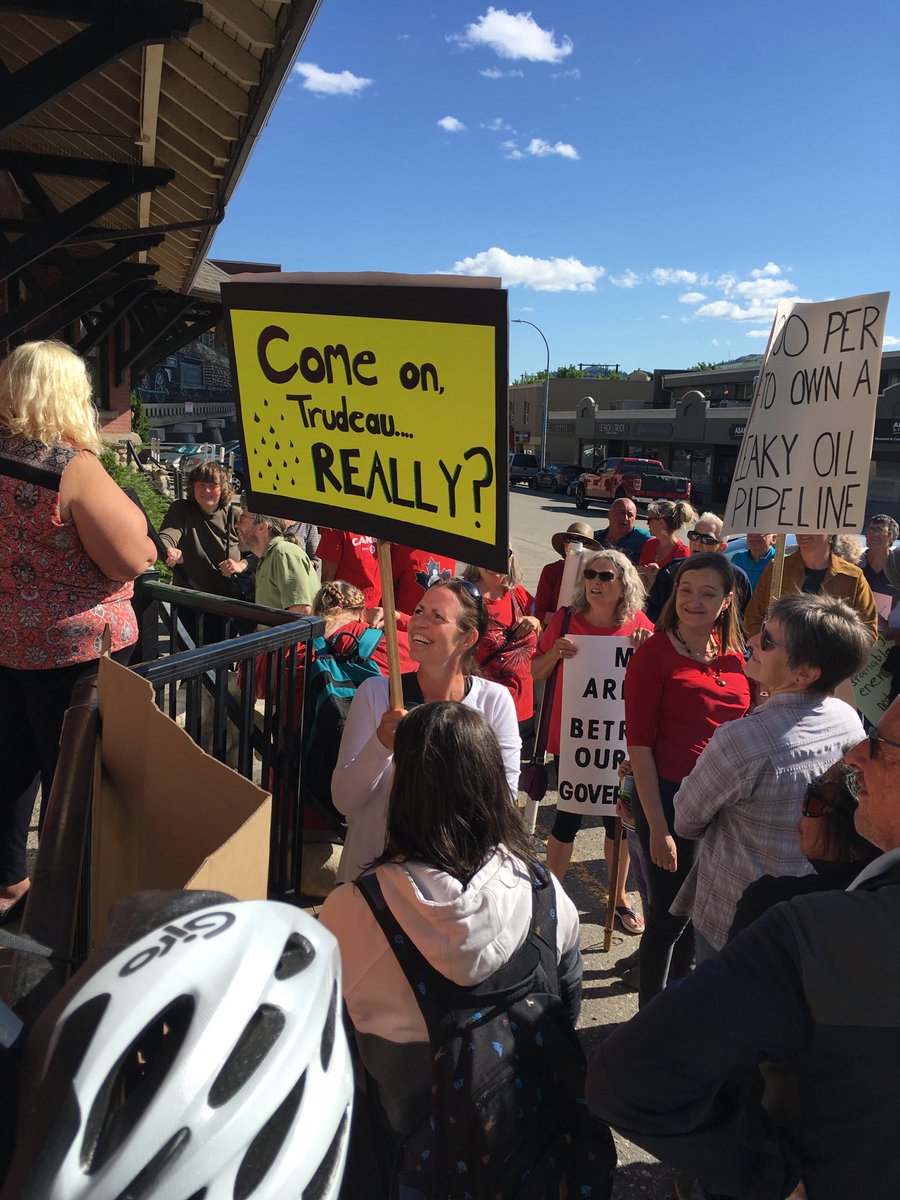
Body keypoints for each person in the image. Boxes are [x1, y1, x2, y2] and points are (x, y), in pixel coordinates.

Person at [585, 695, 900, 1200]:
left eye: (883, 747)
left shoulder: (806, 934)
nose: (858, 753)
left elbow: (626, 1078)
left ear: (804, 668)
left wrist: (766, 1176)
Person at [320, 703, 611, 1199]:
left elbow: (331, 1042)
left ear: (403, 788)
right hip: (533, 1156)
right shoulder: (548, 894)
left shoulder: (351, 911)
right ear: (492, 786)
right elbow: (567, 1006)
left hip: (413, 1161)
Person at [0, 340, 156, 916]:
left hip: (8, 641)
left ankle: (10, 882)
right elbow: (131, 559)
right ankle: (76, 904)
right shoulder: (69, 468)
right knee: (78, 782)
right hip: (76, 654)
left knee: (11, 766)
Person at [670, 593, 869, 958]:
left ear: (805, 673)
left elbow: (685, 820)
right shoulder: (847, 718)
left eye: (768, 640)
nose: (752, 641)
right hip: (809, 915)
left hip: (734, 916)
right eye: (761, 631)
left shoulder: (742, 740)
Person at [331, 578, 520, 883]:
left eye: (437, 617)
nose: (419, 623)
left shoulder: (494, 702)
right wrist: (380, 745)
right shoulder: (377, 693)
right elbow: (343, 800)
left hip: (451, 886)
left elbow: (503, 804)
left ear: (467, 638)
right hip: (369, 886)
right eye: (419, 611)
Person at [625, 553, 750, 1006]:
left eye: (707, 593)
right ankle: (649, 1021)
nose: (693, 601)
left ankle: (679, 1008)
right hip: (671, 799)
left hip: (727, 802)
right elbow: (638, 746)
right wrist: (658, 828)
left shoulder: (737, 655)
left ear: (726, 600)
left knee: (703, 917)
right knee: (667, 918)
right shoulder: (652, 656)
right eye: (685, 590)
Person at [532, 550, 653, 932]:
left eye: (606, 576)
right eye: (591, 574)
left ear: (625, 585)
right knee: (566, 819)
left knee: (616, 824)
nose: (596, 582)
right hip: (575, 739)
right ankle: (552, 897)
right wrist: (555, 652)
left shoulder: (638, 624)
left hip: (618, 744)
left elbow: (656, 677)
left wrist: (646, 647)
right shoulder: (568, 620)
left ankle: (617, 899)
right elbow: (535, 670)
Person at [728, 758, 881, 939]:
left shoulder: (771, 901)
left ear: (858, 839)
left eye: (813, 800)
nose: (801, 805)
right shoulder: (884, 900)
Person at [462, 548, 541, 753]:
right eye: (489, 551)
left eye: (503, 552)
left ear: (511, 558)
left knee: (507, 775)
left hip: (520, 706)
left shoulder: (517, 593)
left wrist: (534, 621)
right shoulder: (464, 594)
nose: (496, 560)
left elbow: (542, 634)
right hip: (480, 706)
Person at [744, 532, 878, 642]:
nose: (804, 530)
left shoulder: (853, 577)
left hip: (829, 670)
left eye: (814, 524)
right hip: (780, 669)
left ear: (831, 531)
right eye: (800, 523)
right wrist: (770, 647)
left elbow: (868, 631)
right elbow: (753, 617)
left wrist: (831, 654)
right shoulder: (776, 569)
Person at [159, 460, 248, 597]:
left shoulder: (234, 515)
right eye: (201, 484)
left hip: (228, 602)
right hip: (191, 600)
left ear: (222, 488)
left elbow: (260, 551)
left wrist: (240, 565)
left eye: (212, 485)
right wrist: (170, 550)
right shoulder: (182, 509)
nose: (206, 490)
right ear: (192, 486)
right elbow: (167, 536)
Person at [645, 511, 751, 622]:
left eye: (706, 539)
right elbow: (652, 614)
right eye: (694, 536)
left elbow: (743, 622)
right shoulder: (670, 571)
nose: (697, 543)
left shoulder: (738, 578)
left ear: (722, 547)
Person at [235, 509, 316, 614]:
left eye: (242, 519)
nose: (237, 525)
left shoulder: (283, 553)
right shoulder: (270, 556)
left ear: (262, 527)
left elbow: (301, 611)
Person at [534, 520, 602, 623]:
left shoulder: (598, 575)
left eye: (582, 541)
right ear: (564, 544)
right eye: (569, 539)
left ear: (591, 548)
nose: (573, 544)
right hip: (556, 628)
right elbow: (540, 613)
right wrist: (565, 622)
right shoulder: (551, 571)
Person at [637, 498, 696, 584]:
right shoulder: (649, 544)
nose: (647, 524)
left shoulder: (681, 553)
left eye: (649, 520)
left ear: (661, 523)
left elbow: (680, 586)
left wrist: (659, 574)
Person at [318, 528, 381, 606]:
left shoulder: (381, 525)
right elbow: (328, 577)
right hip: (346, 606)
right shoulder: (335, 529)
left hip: (378, 607)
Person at [389, 542, 455, 616]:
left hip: (434, 623)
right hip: (400, 622)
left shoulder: (451, 556)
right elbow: (386, 587)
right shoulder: (402, 550)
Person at [594, 496, 650, 565]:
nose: (625, 518)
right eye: (621, 513)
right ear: (609, 515)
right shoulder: (595, 538)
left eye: (630, 515)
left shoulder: (645, 539)